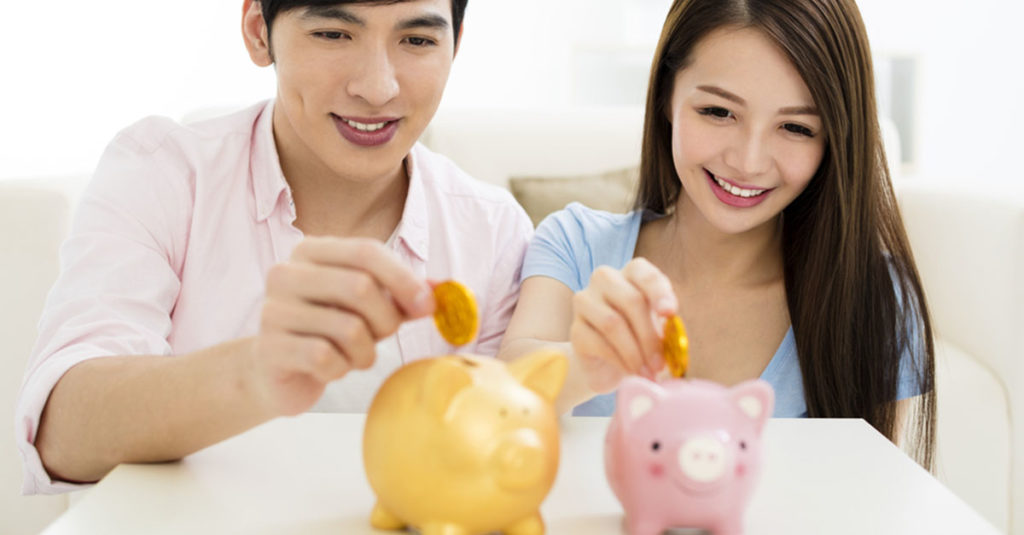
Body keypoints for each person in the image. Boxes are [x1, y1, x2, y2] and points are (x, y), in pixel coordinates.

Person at [16, 0, 534, 494]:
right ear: (258, 32)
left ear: (456, 44)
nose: (378, 88)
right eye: (333, 33)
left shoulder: (493, 230)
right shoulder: (163, 174)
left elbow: (507, 451)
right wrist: (256, 371)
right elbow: (61, 436)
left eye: (417, 40)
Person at [499, 0, 935, 467]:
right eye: (718, 111)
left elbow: (874, 490)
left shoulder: (874, 297)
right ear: (667, 95)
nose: (748, 162)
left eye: (795, 127)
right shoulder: (576, 243)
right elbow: (502, 394)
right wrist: (587, 364)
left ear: (834, 139)